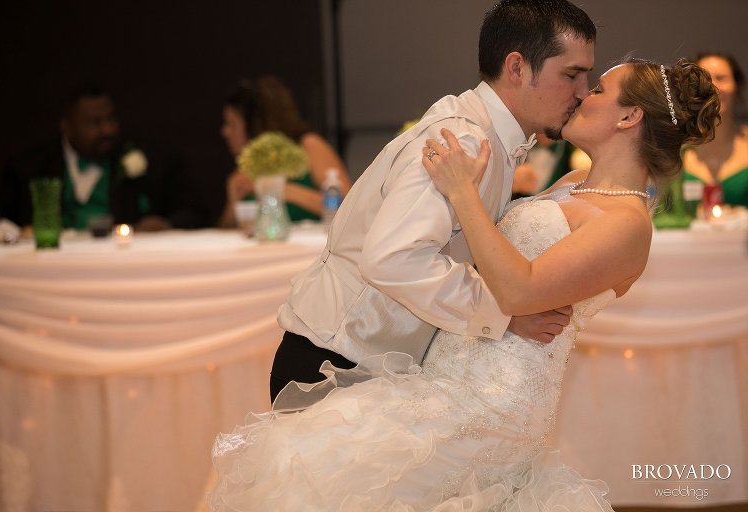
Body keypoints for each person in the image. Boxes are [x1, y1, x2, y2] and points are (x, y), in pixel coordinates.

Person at [209, 57, 719, 512]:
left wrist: (461, 192)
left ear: (630, 118)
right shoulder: (570, 185)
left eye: (601, 90)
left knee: (322, 470)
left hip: (495, 401)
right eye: (579, 79)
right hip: (446, 374)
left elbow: (519, 290)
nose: (585, 94)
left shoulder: (628, 223)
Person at [269, 0, 595, 402]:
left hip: (362, 359)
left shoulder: (489, 135)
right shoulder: (464, 140)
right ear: (517, 67)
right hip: (334, 362)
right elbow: (393, 258)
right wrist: (504, 313)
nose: (583, 93)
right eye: (572, 75)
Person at [0, 84, 199, 232]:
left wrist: (167, 224)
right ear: (67, 127)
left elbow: (192, 211)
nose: (107, 130)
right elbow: (4, 223)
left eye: (110, 119)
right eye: (94, 122)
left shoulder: (151, 160)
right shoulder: (29, 167)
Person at [218, 76, 352, 227]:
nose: (225, 132)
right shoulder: (249, 162)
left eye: (232, 124)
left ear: (255, 124)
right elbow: (225, 229)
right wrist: (233, 200)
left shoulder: (309, 145)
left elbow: (348, 207)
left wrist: (275, 187)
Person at [682, 52, 748, 207]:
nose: (713, 87)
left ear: (737, 86)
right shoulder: (674, 148)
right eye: (704, 79)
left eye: (721, 78)